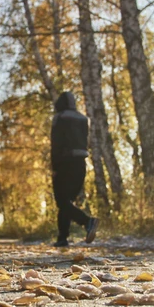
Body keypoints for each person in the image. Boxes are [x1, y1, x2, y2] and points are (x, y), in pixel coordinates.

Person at [50, 91, 98, 247]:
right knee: (67, 202)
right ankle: (62, 238)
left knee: (62, 201)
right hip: (81, 163)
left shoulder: (60, 117)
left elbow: (56, 143)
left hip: (65, 162)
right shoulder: (83, 118)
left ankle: (87, 221)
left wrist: (55, 165)